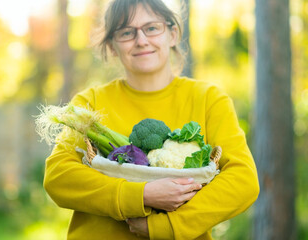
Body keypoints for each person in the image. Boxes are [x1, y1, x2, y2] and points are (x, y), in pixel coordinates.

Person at [43, 0, 260, 239]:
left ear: (173, 34)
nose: (141, 40)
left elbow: (243, 180)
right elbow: (58, 176)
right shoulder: (90, 103)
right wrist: (142, 195)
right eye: (127, 32)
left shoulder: (209, 99)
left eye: (152, 28)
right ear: (112, 46)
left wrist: (165, 226)